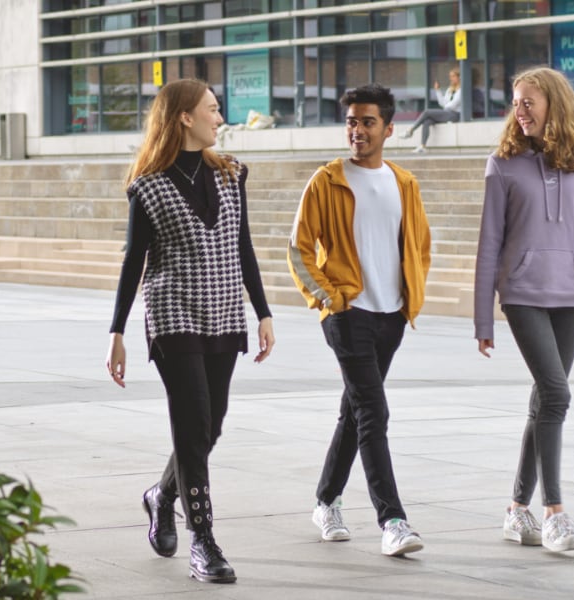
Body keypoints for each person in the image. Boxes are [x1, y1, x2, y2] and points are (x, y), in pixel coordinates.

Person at [107, 79, 274, 585]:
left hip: (224, 312)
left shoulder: (232, 175)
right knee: (193, 418)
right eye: (212, 109)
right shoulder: (149, 186)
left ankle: (161, 495)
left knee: (210, 425)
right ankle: (203, 539)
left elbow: (243, 246)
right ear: (184, 116)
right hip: (173, 314)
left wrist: (263, 312)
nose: (219, 117)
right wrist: (116, 332)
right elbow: (134, 261)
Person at [474, 67, 574, 554]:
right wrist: (484, 317)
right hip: (522, 293)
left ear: (555, 106)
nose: (519, 111)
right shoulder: (502, 164)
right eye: (516, 102)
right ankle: (555, 513)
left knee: (544, 401)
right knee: (557, 394)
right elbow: (488, 245)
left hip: (572, 294)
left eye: (529, 103)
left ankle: (517, 509)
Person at [288, 84, 434, 558]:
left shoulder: (404, 183)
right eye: (351, 121)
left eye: (367, 122)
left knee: (355, 412)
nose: (357, 130)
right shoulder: (328, 180)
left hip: (391, 316)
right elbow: (299, 248)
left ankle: (325, 500)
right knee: (374, 411)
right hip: (347, 314)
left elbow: (420, 247)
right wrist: (329, 300)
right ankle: (392, 519)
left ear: (389, 129)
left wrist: (412, 294)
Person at [399, 67, 465, 153]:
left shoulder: (461, 90)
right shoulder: (450, 89)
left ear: (459, 77)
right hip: (447, 112)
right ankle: (423, 146)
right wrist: (438, 91)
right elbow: (442, 103)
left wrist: (445, 107)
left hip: (455, 114)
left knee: (427, 112)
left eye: (453, 76)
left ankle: (410, 130)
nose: (451, 78)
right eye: (450, 76)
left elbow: (453, 105)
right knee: (427, 121)